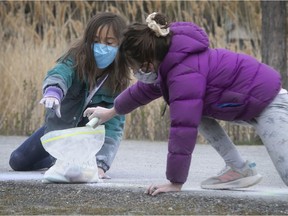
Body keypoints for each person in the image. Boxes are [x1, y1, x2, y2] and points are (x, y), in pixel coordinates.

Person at [83, 12, 288, 195]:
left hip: (270, 104)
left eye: (135, 67)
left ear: (148, 62)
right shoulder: (171, 63)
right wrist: (111, 111)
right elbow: (144, 90)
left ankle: (238, 168)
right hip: (247, 104)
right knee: (198, 114)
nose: (136, 73)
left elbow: (183, 128)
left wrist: (175, 182)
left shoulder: (184, 74)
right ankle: (238, 168)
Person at [9, 12, 131, 179]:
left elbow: (114, 128)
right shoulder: (76, 58)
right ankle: (52, 159)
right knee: (17, 161)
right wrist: (53, 91)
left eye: (109, 43)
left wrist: (100, 165)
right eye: (95, 41)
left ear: (120, 46)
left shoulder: (119, 80)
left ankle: (69, 160)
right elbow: (60, 73)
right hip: (60, 130)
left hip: (87, 138)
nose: (101, 47)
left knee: (78, 170)